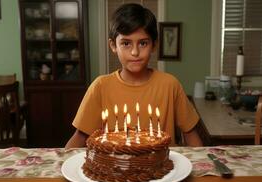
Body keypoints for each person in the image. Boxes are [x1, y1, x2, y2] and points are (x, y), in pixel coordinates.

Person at [65, 3, 202, 149]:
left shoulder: (170, 84)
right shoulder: (100, 87)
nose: (135, 52)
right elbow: (80, 137)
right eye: (126, 44)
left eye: (143, 43)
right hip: (114, 169)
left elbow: (190, 134)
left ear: (154, 45)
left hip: (164, 169)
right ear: (113, 46)